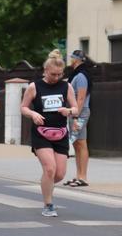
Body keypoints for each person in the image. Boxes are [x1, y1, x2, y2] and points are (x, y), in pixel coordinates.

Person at [21, 50, 79, 216]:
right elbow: (23, 107)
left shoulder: (65, 86)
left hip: (60, 133)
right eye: (53, 74)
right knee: (50, 169)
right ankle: (48, 205)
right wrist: (33, 114)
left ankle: (45, 183)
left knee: (59, 174)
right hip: (41, 133)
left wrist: (68, 110)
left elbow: (75, 108)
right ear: (45, 71)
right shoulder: (34, 87)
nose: (56, 77)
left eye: (60, 74)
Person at [64, 50, 92, 187]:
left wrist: (75, 116)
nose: (71, 60)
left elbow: (80, 98)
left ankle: (83, 177)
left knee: (81, 143)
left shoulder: (81, 76)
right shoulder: (76, 74)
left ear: (77, 59)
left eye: (72, 58)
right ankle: (78, 175)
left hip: (80, 112)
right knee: (77, 143)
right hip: (74, 112)